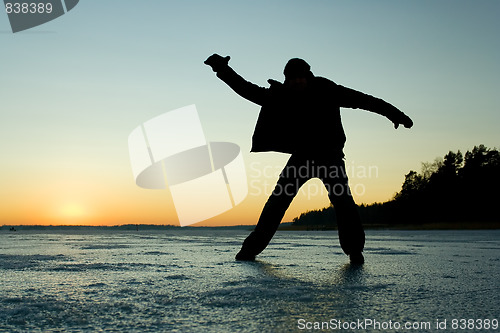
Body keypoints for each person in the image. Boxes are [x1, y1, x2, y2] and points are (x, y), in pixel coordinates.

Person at [204, 54, 413, 264]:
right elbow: (247, 90)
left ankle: (355, 251)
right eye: (292, 78)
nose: (297, 81)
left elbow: (363, 100)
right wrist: (222, 70)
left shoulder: (327, 90)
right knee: (277, 203)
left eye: (301, 77)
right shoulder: (282, 95)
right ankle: (249, 251)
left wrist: (394, 114)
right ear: (287, 80)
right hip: (302, 159)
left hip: (330, 158)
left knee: (343, 203)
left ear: (308, 76)